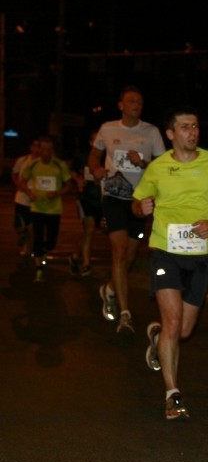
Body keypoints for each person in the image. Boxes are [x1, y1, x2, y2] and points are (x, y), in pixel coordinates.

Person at [132, 105, 208, 420]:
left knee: (184, 330)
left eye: (195, 126)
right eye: (186, 127)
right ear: (171, 134)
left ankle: (156, 335)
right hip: (165, 251)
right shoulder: (158, 167)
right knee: (174, 324)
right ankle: (172, 395)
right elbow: (137, 204)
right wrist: (142, 207)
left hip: (200, 256)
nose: (193, 132)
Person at [89, 85, 166, 335]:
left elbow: (163, 165)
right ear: (121, 105)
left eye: (140, 101)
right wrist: (97, 170)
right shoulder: (108, 128)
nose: (136, 104)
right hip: (113, 195)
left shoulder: (151, 131)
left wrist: (142, 162)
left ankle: (110, 288)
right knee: (120, 252)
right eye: (132, 100)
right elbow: (93, 156)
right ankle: (125, 313)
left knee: (130, 256)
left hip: (139, 200)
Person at [21, 135, 74, 283]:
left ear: (53, 150)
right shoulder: (33, 164)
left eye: (48, 150)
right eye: (43, 149)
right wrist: (29, 193)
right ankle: (39, 268)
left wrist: (57, 193)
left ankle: (43, 251)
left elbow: (69, 185)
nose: (45, 153)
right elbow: (22, 181)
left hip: (54, 209)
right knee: (37, 237)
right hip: (37, 208)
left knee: (51, 242)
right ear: (39, 150)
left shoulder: (59, 165)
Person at [69, 130, 104, 277]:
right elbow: (71, 170)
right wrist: (78, 180)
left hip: (101, 200)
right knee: (89, 228)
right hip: (85, 198)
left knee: (90, 232)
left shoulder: (107, 158)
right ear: (90, 143)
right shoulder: (82, 156)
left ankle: (76, 256)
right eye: (95, 141)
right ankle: (86, 264)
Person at [11, 139, 40, 258]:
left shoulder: (43, 162)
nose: (37, 148)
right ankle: (22, 236)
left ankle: (28, 250)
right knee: (20, 226)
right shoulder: (22, 160)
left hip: (35, 198)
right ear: (31, 147)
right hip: (22, 198)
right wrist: (19, 185)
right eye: (35, 145)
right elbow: (14, 174)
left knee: (31, 227)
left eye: (39, 146)